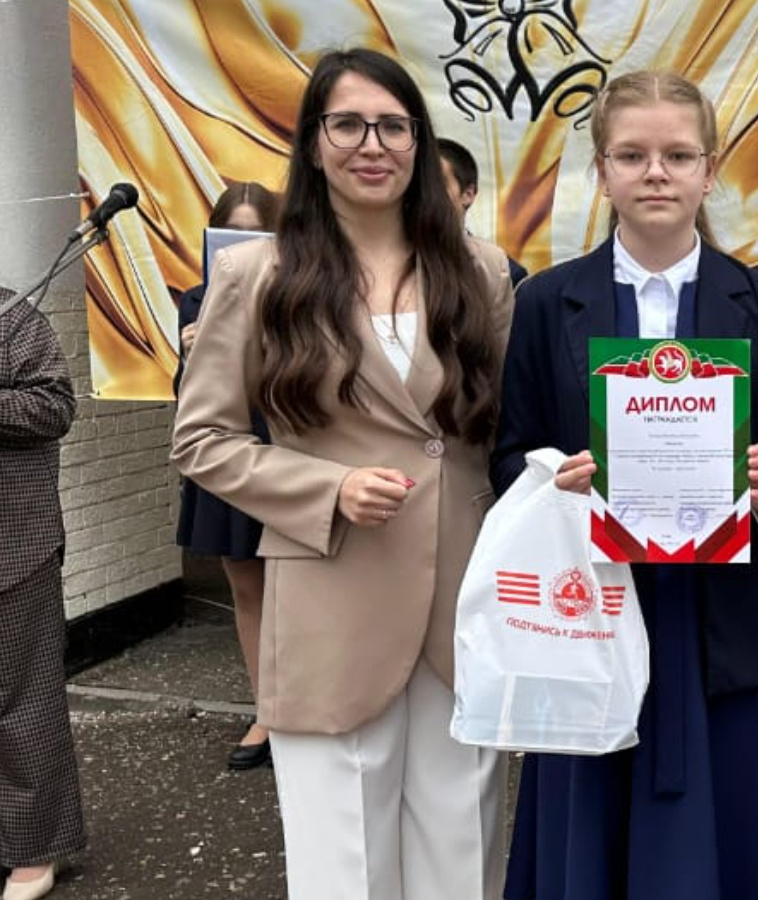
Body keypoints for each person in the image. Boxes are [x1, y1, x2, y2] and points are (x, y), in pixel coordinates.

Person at [171, 47, 513, 899]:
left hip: (463, 598)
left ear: (418, 141)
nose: (373, 145)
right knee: (342, 867)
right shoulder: (257, 275)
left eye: (393, 126)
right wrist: (326, 488)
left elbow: (509, 427)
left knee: (463, 855)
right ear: (314, 142)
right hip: (332, 593)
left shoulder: (480, 270)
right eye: (349, 124)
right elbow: (203, 439)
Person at [493, 70, 758, 900]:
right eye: (633, 155)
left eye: (678, 156)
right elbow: (508, 456)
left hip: (725, 623)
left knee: (734, 851)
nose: (657, 172)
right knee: (594, 847)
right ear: (602, 171)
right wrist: (554, 481)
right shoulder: (546, 301)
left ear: (709, 172)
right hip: (594, 611)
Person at [172, 180, 282, 771]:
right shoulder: (196, 300)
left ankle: (306, 703)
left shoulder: (304, 291)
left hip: (289, 454)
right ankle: (266, 710)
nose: (242, 247)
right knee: (246, 588)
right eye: (231, 235)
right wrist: (193, 355)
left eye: (257, 235)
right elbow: (188, 401)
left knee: (300, 587)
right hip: (227, 454)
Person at [0, 286, 86, 900]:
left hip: (13, 543)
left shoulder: (13, 317)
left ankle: (32, 852)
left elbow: (55, 407)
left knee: (23, 701)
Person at [438, 137, 529, 285]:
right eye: (416, 183)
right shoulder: (396, 262)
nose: (424, 192)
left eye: (437, 183)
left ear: (468, 194)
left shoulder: (502, 273)